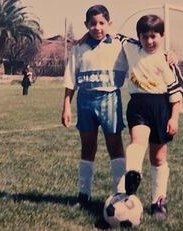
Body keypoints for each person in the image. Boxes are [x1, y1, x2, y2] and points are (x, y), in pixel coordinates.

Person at [118, 14, 183, 220]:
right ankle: (132, 176)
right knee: (137, 141)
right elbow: (108, 33)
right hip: (138, 105)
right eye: (144, 36)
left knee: (157, 157)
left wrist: (174, 118)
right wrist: (84, 37)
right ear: (138, 37)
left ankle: (159, 200)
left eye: (154, 36)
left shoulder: (166, 60)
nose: (149, 41)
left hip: (161, 107)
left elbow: (176, 93)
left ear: (162, 35)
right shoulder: (131, 47)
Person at [61, 5, 128, 207]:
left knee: (114, 145)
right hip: (85, 101)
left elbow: (144, 50)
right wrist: (66, 106)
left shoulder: (120, 45)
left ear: (109, 24)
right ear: (86, 25)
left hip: (110, 99)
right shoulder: (79, 48)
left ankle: (120, 194)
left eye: (101, 23)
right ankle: (84, 195)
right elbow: (70, 79)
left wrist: (169, 56)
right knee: (88, 146)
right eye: (93, 23)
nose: (97, 27)